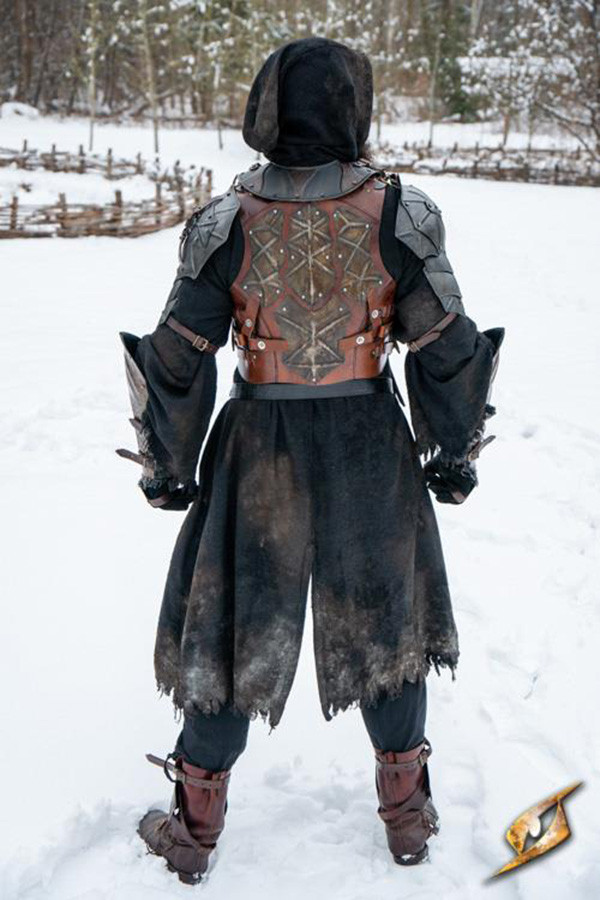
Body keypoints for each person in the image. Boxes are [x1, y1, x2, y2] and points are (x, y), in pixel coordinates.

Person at [118, 37, 504, 885]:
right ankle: (407, 819)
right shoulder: (401, 213)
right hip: (368, 446)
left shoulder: (227, 220)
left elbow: (180, 351)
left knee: (233, 628)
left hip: (262, 450)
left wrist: (168, 465)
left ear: (268, 106)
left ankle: (194, 828)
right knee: (386, 620)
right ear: (352, 107)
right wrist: (454, 449)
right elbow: (443, 341)